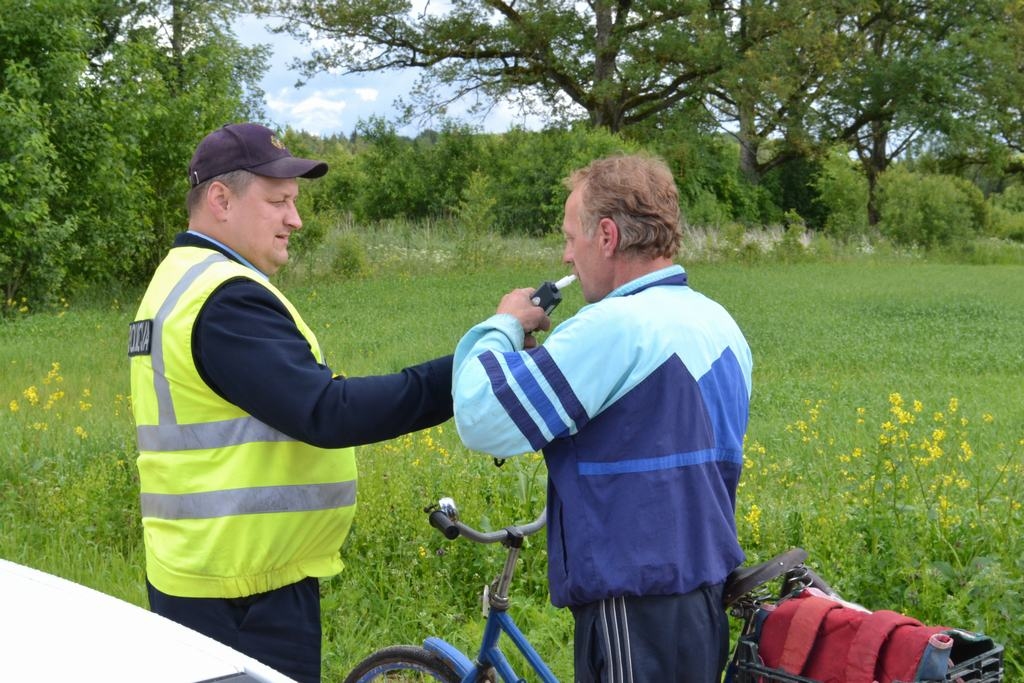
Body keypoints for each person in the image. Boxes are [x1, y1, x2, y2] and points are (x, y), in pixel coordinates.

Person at [128, 123, 454, 683]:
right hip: (243, 597)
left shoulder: (180, 280)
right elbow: (327, 412)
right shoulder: (224, 298)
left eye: (295, 202)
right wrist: (468, 371)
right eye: (279, 201)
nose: (295, 220)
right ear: (221, 199)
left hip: (211, 576)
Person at [452, 153, 753, 682]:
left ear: (607, 236)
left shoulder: (614, 327)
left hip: (631, 599)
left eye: (572, 237)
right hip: (702, 594)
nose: (567, 257)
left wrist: (501, 325)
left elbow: (481, 416)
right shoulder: (716, 320)